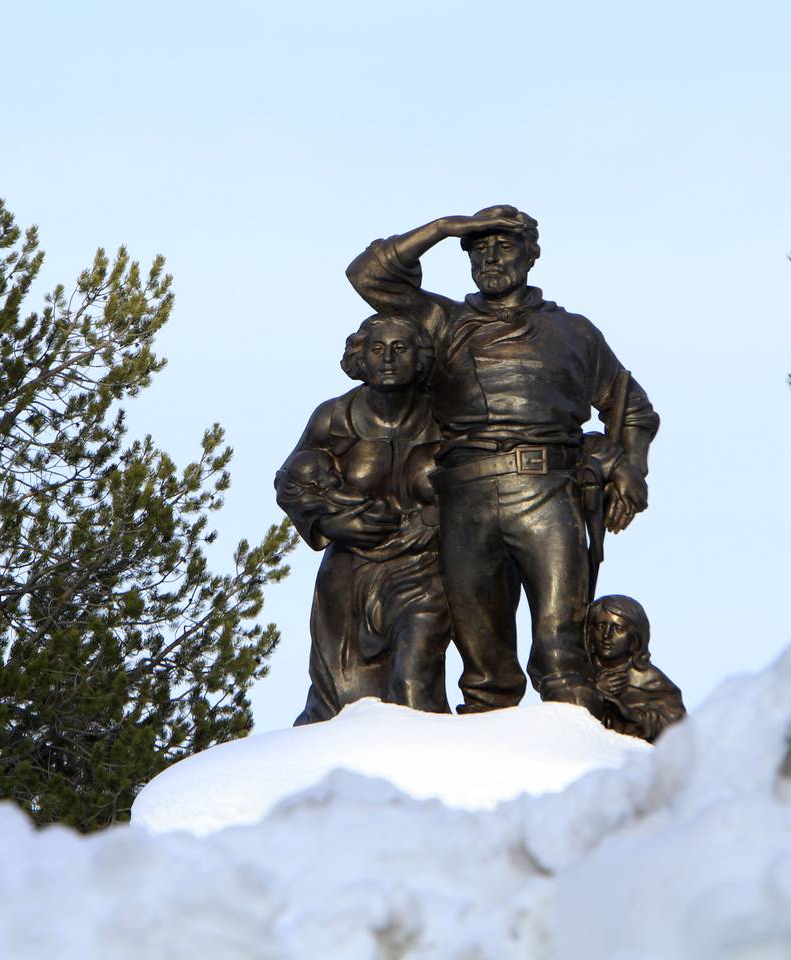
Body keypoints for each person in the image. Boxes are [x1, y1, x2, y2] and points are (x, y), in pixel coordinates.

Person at [346, 206, 659, 716]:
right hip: (465, 498)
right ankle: (486, 771)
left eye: (504, 246)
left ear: (532, 255)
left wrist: (630, 468)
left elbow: (633, 410)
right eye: (479, 248)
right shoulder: (443, 323)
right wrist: (449, 227)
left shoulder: (575, 333)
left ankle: (579, 762)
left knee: (561, 648)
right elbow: (368, 274)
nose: (491, 257)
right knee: (483, 661)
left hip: (548, 494)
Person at [275, 313, 452, 724]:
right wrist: (329, 523)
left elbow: (477, 483)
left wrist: (437, 518)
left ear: (420, 357)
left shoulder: (446, 417)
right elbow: (290, 483)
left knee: (414, 683)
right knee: (340, 705)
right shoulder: (333, 417)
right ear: (361, 358)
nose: (388, 358)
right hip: (349, 574)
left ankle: (426, 775)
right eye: (377, 349)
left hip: (422, 570)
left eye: (400, 348)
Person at [584, 595, 685, 742]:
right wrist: (594, 691)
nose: (607, 635)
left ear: (634, 637)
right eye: (600, 626)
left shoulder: (650, 680)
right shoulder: (581, 670)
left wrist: (631, 716)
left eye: (618, 628)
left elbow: (679, 728)